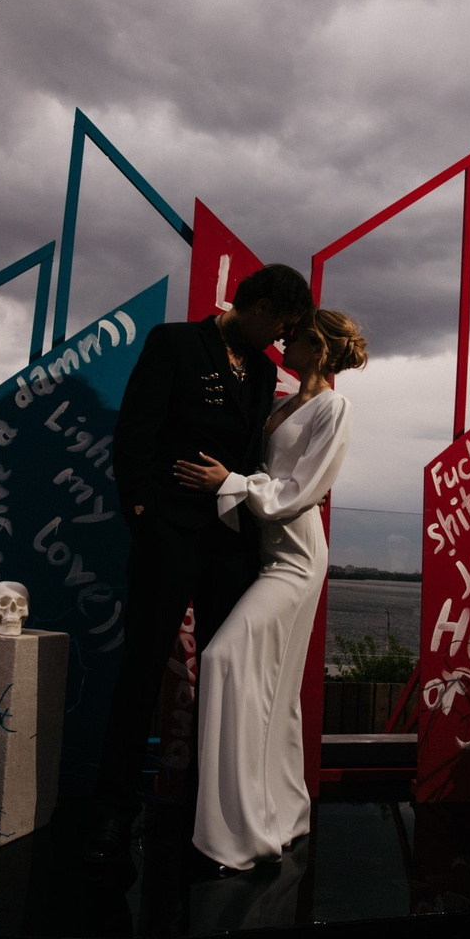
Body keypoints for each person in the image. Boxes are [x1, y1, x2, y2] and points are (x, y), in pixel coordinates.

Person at [87, 263, 316, 865]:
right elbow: (134, 434)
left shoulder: (263, 370)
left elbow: (251, 457)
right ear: (261, 307)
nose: (282, 338)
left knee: (226, 677)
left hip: (230, 544)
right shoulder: (174, 343)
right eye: (282, 324)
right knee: (140, 672)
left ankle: (208, 813)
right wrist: (144, 513)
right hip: (168, 534)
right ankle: (113, 812)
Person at [173, 309, 366, 872]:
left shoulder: (334, 407)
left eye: (296, 337)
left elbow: (300, 491)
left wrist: (229, 482)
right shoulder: (281, 402)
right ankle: (280, 814)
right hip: (265, 554)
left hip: (298, 559)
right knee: (274, 691)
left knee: (223, 658)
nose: (284, 340)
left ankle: (238, 832)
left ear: (319, 348)